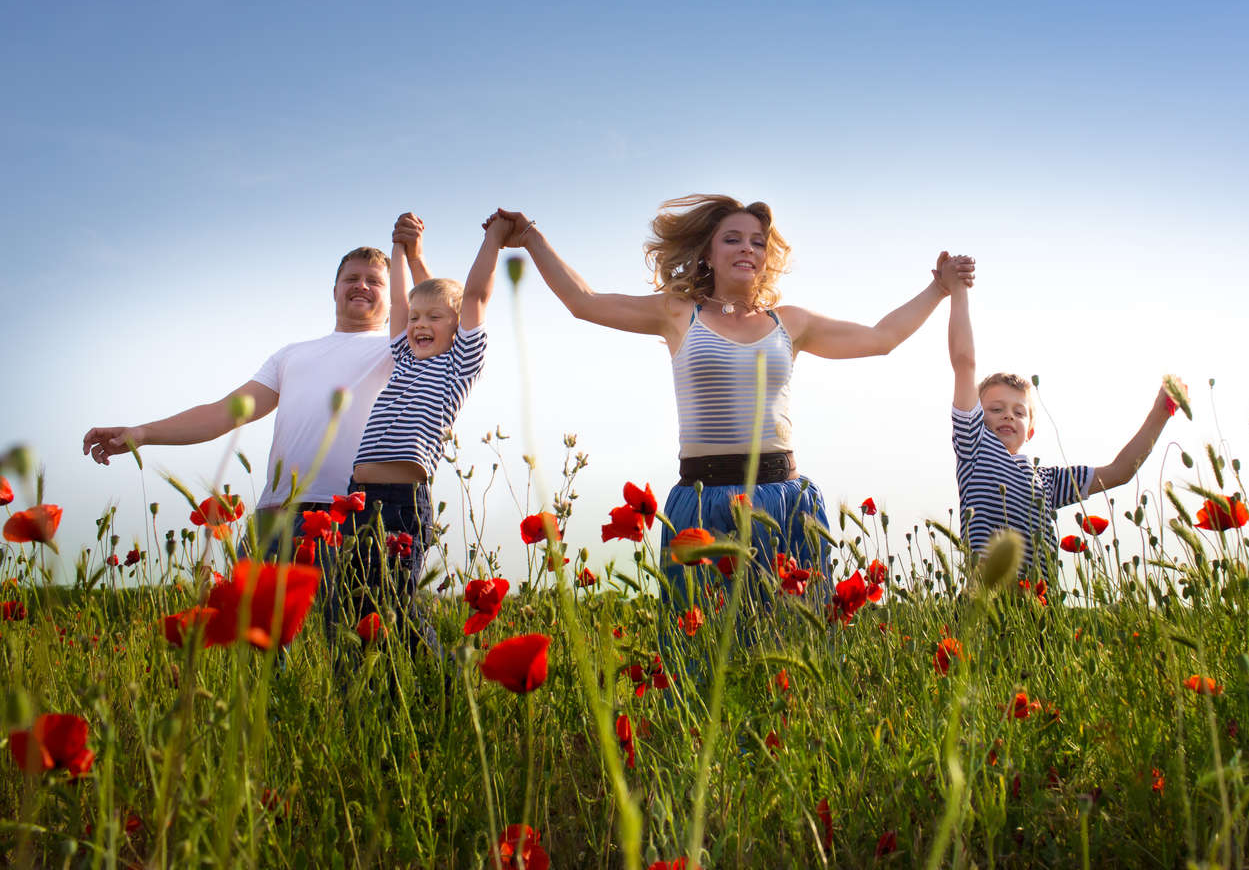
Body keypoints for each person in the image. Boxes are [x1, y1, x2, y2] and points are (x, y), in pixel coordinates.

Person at [489, 195, 955, 619]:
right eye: (732, 239)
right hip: (702, 502)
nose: (747, 248)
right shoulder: (677, 312)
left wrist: (939, 289)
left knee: (792, 641)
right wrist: (530, 236)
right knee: (701, 654)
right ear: (708, 254)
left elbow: (881, 339)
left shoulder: (790, 323)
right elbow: (583, 302)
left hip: (783, 500)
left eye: (757, 241)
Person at [81, 213, 431, 552]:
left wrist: (414, 259)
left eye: (375, 281)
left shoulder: (399, 348)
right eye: (352, 278)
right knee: (253, 614)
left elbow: (443, 321)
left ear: (394, 296)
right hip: (274, 516)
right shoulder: (290, 354)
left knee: (341, 614)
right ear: (334, 289)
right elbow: (224, 413)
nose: (361, 285)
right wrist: (141, 434)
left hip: (353, 511)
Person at [941, 254, 1183, 580]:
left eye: (1019, 412)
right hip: (985, 603)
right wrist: (958, 289)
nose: (1007, 417)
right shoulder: (974, 449)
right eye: (995, 410)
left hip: (1040, 611)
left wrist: (1161, 413)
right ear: (976, 418)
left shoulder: (1048, 480)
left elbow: (1120, 471)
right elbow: (964, 362)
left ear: (1031, 430)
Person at [335, 214, 509, 654]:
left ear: (457, 327)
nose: (418, 324)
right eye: (415, 318)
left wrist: (492, 239)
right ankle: (374, 695)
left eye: (434, 316)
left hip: (401, 502)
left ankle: (442, 683)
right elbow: (398, 303)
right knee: (356, 605)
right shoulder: (405, 358)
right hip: (358, 496)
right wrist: (399, 248)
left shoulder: (459, 366)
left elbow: (473, 295)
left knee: (395, 603)